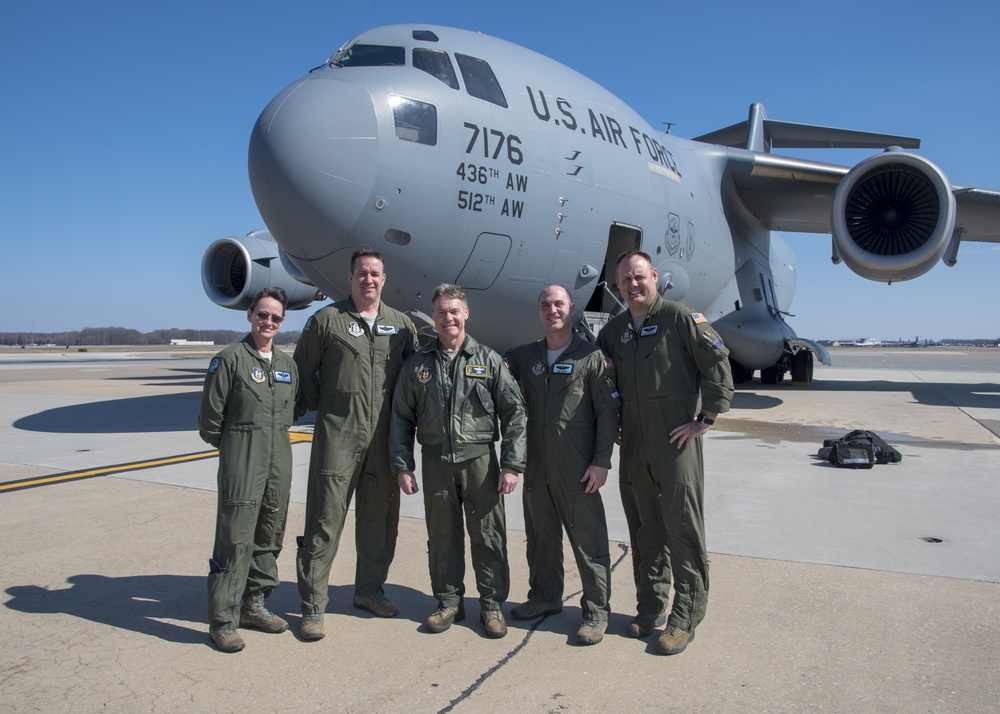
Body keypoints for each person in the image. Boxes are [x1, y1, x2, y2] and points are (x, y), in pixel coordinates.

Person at [596, 251, 734, 655]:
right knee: (645, 531)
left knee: (682, 530)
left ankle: (686, 615)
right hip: (635, 445)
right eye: (625, 280)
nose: (632, 285)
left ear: (654, 276)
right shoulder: (615, 331)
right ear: (618, 285)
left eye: (639, 277)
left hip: (676, 444)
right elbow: (605, 381)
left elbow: (718, 366)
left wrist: (704, 419)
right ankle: (650, 606)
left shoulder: (680, 318)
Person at [293, 249, 419, 641]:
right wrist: (331, 407)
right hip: (338, 437)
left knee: (378, 522)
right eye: (361, 273)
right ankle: (313, 604)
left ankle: (369, 591)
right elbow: (302, 374)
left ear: (385, 279)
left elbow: (414, 384)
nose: (369, 279)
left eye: (375, 273)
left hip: (385, 439)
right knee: (324, 520)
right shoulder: (326, 321)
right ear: (349, 278)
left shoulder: (402, 327)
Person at [390, 284, 527, 639]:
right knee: (441, 536)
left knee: (488, 535)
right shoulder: (418, 365)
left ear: (466, 314)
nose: (448, 318)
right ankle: (449, 601)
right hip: (436, 460)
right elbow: (401, 417)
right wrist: (403, 465)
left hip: (480, 460)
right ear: (433, 317)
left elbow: (514, 413)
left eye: (454, 311)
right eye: (441, 312)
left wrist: (512, 465)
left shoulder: (488, 359)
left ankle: (492, 605)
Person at [504, 285, 620, 645]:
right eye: (544, 305)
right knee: (540, 538)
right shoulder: (526, 356)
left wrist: (601, 462)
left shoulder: (592, 357)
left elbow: (608, 413)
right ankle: (544, 597)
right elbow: (496, 374)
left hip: (578, 468)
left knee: (589, 542)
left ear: (571, 307)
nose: (551, 310)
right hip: (536, 466)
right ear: (538, 311)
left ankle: (596, 610)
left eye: (558, 304)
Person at [198, 287, 299, 653]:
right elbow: (210, 422)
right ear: (250, 315)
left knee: (270, 534)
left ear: (282, 322)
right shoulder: (229, 360)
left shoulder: (288, 366)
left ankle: (254, 604)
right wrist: (238, 449)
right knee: (235, 538)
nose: (268, 322)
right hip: (243, 459)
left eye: (275, 317)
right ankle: (223, 620)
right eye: (262, 315)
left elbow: (291, 411)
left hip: (278, 459)